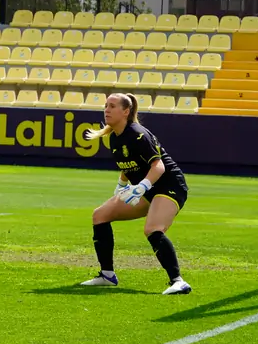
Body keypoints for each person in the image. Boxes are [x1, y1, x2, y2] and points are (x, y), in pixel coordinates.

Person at [80, 93, 192, 295]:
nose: (106, 109)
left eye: (112, 106)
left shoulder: (138, 134)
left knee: (152, 229)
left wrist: (141, 187)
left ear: (125, 111)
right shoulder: (114, 137)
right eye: (106, 105)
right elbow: (128, 165)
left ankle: (178, 281)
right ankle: (107, 275)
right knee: (100, 215)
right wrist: (121, 185)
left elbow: (158, 167)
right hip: (147, 189)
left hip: (169, 186)